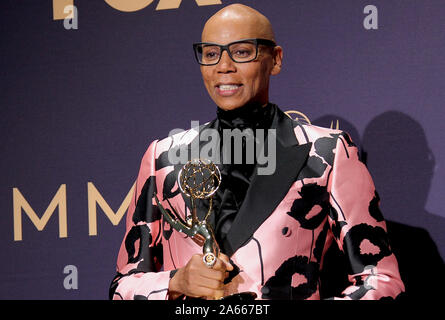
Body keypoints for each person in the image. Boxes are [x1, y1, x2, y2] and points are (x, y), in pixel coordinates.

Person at [109, 3, 405, 300]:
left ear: (275, 60)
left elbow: (382, 282)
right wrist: (177, 282)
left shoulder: (328, 153)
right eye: (211, 54)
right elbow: (123, 285)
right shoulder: (164, 159)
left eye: (241, 52)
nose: (224, 66)